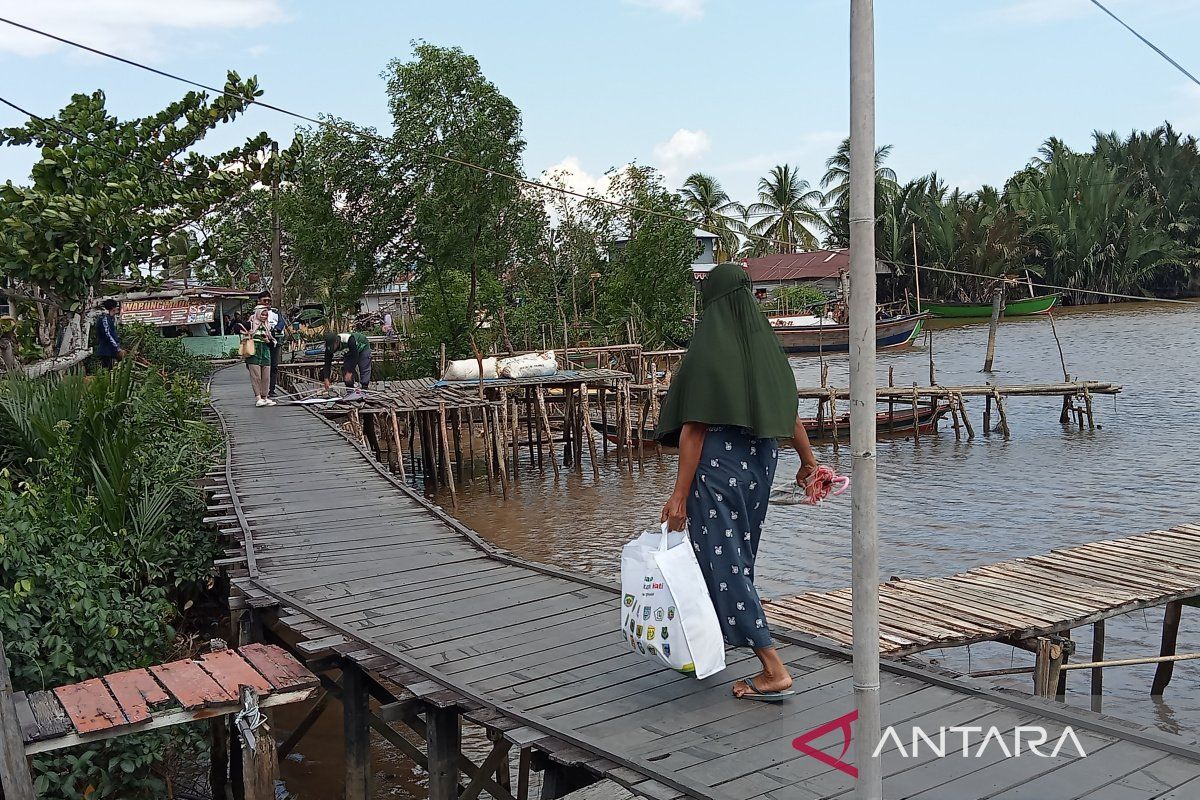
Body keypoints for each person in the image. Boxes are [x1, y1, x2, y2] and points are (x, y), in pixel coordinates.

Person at [655, 262, 819, 702]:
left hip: (719, 469)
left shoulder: (710, 349)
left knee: (724, 563)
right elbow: (788, 415)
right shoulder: (766, 349)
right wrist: (808, 462)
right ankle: (712, 642)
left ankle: (772, 666)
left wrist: (678, 495)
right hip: (760, 467)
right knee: (737, 559)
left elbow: (694, 429)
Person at [255, 291, 288, 398]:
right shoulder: (255, 313)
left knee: (274, 366)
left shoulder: (275, 312)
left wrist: (276, 329)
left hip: (275, 340)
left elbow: (282, 322)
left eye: (269, 301)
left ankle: (272, 389)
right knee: (262, 366)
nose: (267, 303)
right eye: (265, 301)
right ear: (259, 301)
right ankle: (261, 391)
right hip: (262, 341)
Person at [320, 330, 372, 396]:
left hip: (362, 346)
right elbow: (327, 363)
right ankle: (350, 390)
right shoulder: (329, 348)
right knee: (346, 369)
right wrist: (326, 378)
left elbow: (355, 355)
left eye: (332, 346)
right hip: (349, 352)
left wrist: (350, 371)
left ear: (336, 342)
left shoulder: (348, 339)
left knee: (364, 366)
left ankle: (364, 388)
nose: (331, 349)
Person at [244, 308, 277, 407]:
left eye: (266, 315)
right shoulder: (251, 324)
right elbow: (239, 329)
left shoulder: (268, 326)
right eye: (262, 315)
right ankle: (258, 397)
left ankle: (265, 397)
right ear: (258, 314)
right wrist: (249, 334)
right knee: (256, 376)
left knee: (266, 376)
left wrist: (268, 340)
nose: (264, 317)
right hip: (254, 352)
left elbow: (273, 341)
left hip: (265, 353)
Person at [94, 299, 124, 368]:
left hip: (110, 351)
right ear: (113, 308)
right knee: (107, 371)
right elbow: (108, 335)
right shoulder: (104, 319)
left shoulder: (109, 318)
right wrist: (117, 348)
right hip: (106, 351)